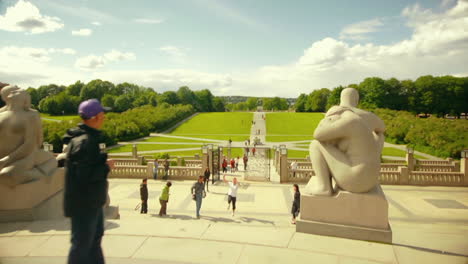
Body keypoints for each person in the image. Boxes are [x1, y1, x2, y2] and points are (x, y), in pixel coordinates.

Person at [63, 98, 114, 264]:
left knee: (93, 242)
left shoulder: (88, 139)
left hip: (92, 202)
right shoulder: (84, 142)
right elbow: (83, 176)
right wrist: (106, 167)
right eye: (102, 114)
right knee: (82, 245)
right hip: (84, 204)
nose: (104, 117)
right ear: (95, 117)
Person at [0, 85, 58, 187]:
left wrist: (6, 159)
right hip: (7, 157)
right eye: (16, 89)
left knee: (7, 175)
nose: (22, 89)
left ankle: (41, 172)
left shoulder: (29, 115)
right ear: (8, 96)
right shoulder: (3, 114)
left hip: (23, 157)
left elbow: (33, 143)